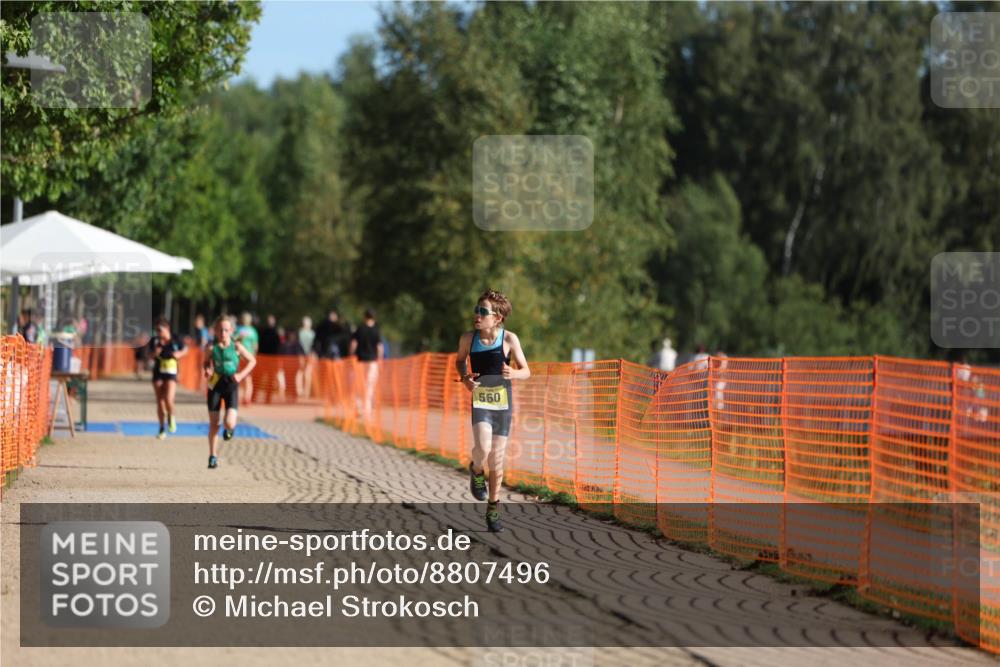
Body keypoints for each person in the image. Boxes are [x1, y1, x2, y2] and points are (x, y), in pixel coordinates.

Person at [455, 289, 530, 533]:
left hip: (502, 403)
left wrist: (515, 373)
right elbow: (460, 360)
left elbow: (526, 370)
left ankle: (493, 507)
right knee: (483, 450)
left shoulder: (509, 339)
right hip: (481, 400)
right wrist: (465, 377)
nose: (477, 315)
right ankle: (476, 470)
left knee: (497, 458)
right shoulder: (468, 338)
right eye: (477, 310)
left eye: (483, 311)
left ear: (497, 318)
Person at [203, 316, 256, 469]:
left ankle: (230, 429)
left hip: (231, 384)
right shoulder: (211, 347)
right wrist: (207, 370)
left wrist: (240, 375)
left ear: (231, 331)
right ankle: (212, 456)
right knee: (214, 424)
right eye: (220, 330)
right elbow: (205, 362)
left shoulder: (237, 346)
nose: (223, 333)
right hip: (215, 385)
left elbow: (252, 361)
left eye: (226, 330)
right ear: (215, 331)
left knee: (229, 422)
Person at [148, 317, 187, 439]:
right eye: (156, 330)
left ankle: (171, 416)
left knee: (169, 398)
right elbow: (149, 355)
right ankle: (161, 428)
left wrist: (179, 354)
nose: (158, 333)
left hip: (171, 372)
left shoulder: (175, 339)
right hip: (158, 371)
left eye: (160, 330)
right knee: (160, 400)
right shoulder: (154, 341)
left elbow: (186, 349)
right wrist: (155, 353)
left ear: (167, 328)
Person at [349, 309, 384, 423]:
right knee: (369, 386)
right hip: (372, 362)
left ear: (365, 317)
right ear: (374, 317)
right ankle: (367, 411)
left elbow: (354, 343)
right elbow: (379, 347)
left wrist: (351, 355)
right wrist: (380, 360)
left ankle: (358, 408)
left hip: (360, 361)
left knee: (359, 385)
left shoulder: (360, 329)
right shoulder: (376, 330)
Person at [235, 311, 259, 404]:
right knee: (248, 378)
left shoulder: (239, 330)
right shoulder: (253, 331)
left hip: (240, 357)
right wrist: (254, 356)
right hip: (249, 357)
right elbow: (255, 346)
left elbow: (235, 341)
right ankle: (247, 398)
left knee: (240, 377)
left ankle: (241, 398)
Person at [298, 316, 316, 397]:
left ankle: (306, 392)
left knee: (307, 373)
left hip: (309, 355)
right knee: (301, 372)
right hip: (301, 355)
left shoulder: (313, 334)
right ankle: (300, 391)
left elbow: (314, 345)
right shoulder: (300, 333)